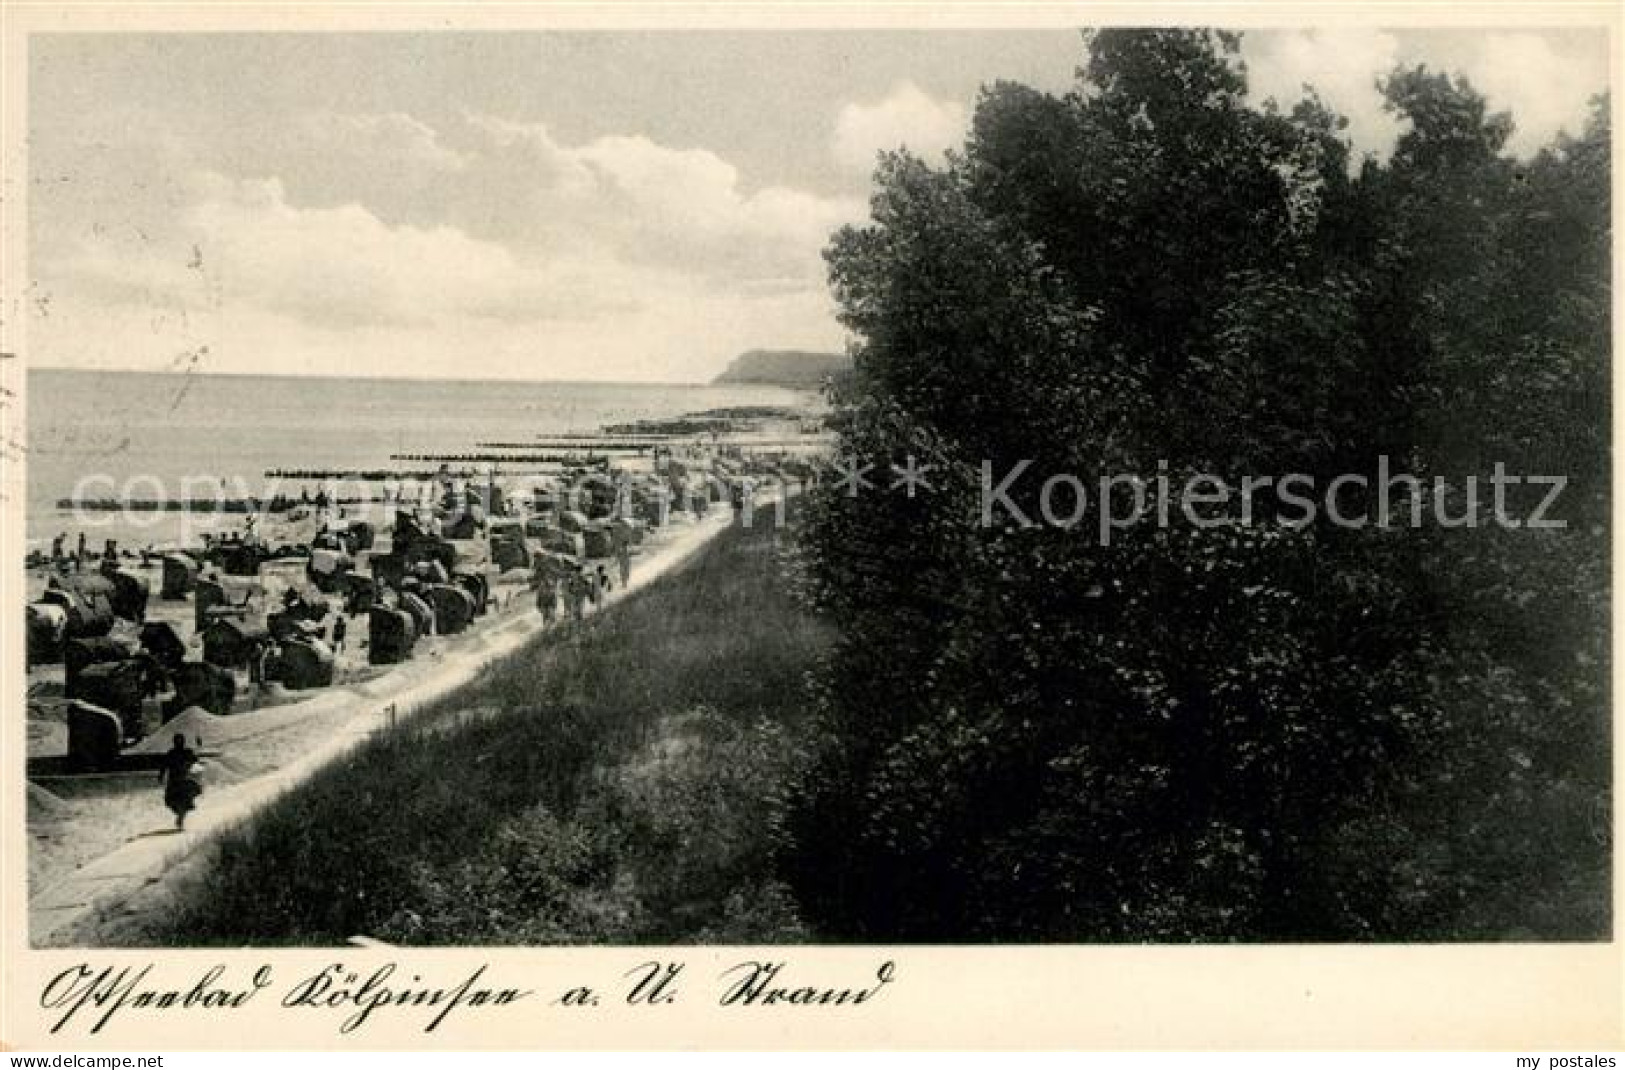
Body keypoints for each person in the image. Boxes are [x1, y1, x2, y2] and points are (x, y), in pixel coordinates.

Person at [158, 733, 202, 831]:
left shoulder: (187, 752)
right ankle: (180, 816)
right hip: (173, 781)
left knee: (184, 801)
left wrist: (192, 762)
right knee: (171, 801)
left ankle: (181, 818)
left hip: (184, 780)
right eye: (177, 741)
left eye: (180, 741)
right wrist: (161, 776)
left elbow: (195, 761)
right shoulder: (171, 753)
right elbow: (164, 766)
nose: (178, 743)